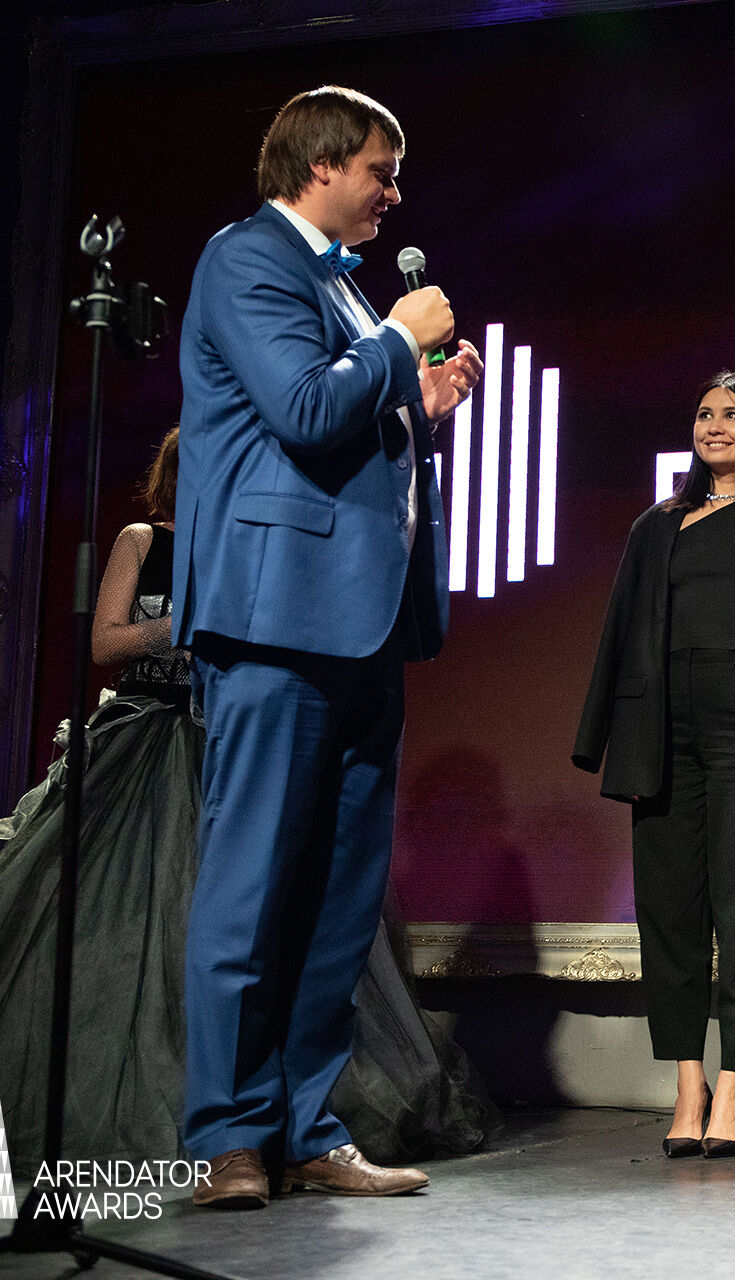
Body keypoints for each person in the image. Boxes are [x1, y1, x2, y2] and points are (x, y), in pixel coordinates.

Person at [0, 430, 495, 1178]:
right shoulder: (143, 539)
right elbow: (105, 643)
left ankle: (280, 1118)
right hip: (144, 741)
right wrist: (188, 623)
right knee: (131, 925)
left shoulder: (246, 542)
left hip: (231, 740)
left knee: (271, 914)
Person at [175, 85, 483, 1208]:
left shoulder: (344, 287)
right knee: (253, 890)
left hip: (362, 627)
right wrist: (400, 343)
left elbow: (351, 428)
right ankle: (226, 1137)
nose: (392, 193)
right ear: (319, 165)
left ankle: (306, 1128)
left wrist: (421, 405)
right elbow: (304, 411)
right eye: (379, 171)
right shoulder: (249, 259)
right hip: (273, 622)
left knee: (338, 905)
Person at [574, 372, 735, 1159]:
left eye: (734, 414)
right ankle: (688, 1083)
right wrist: (601, 736)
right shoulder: (657, 524)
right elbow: (620, 634)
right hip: (664, 734)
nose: (715, 425)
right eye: (705, 414)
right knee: (671, 914)